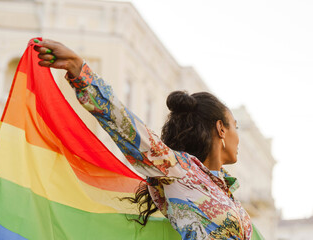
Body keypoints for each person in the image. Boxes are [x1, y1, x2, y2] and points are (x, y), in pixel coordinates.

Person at [34, 39, 255, 240]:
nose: (239, 136)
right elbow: (127, 128)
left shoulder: (227, 193)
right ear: (221, 129)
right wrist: (80, 72)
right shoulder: (179, 170)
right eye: (235, 126)